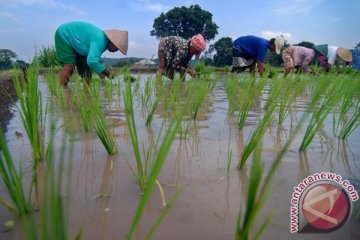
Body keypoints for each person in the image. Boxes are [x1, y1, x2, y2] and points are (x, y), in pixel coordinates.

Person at [55, 21, 128, 86]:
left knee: (87, 73)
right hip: (65, 35)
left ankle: (87, 94)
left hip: (79, 45)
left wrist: (103, 79)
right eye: (117, 48)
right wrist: (108, 73)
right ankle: (62, 93)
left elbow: (95, 62)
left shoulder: (104, 42)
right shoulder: (100, 40)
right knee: (69, 66)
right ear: (112, 42)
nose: (116, 51)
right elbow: (92, 61)